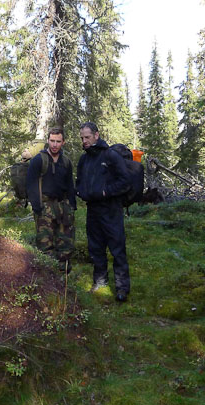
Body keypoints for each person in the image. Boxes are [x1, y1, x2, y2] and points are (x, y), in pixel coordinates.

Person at [75, 122, 131, 302]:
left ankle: (122, 288)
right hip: (93, 209)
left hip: (111, 209)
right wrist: (80, 191)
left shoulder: (111, 156)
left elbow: (125, 181)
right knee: (95, 248)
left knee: (117, 248)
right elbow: (80, 181)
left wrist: (106, 191)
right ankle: (100, 283)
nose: (84, 141)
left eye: (87, 137)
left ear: (96, 135)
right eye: (82, 138)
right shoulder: (84, 159)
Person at [26, 127, 76, 272]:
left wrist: (72, 205)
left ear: (63, 142)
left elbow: (70, 185)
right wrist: (37, 207)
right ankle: (48, 277)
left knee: (66, 242)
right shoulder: (38, 160)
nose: (54, 145)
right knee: (45, 244)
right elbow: (31, 184)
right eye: (52, 141)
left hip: (63, 206)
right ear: (48, 141)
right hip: (44, 206)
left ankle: (65, 276)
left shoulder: (66, 162)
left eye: (58, 141)